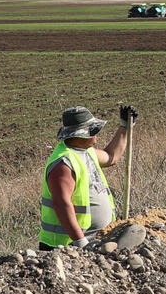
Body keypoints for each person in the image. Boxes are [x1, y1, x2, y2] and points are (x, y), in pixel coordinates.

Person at [40, 104, 134, 249]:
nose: (96, 135)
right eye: (93, 131)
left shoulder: (86, 151)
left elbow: (111, 157)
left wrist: (124, 127)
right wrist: (81, 241)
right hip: (67, 246)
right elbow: (62, 204)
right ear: (80, 134)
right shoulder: (63, 163)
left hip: (93, 239)